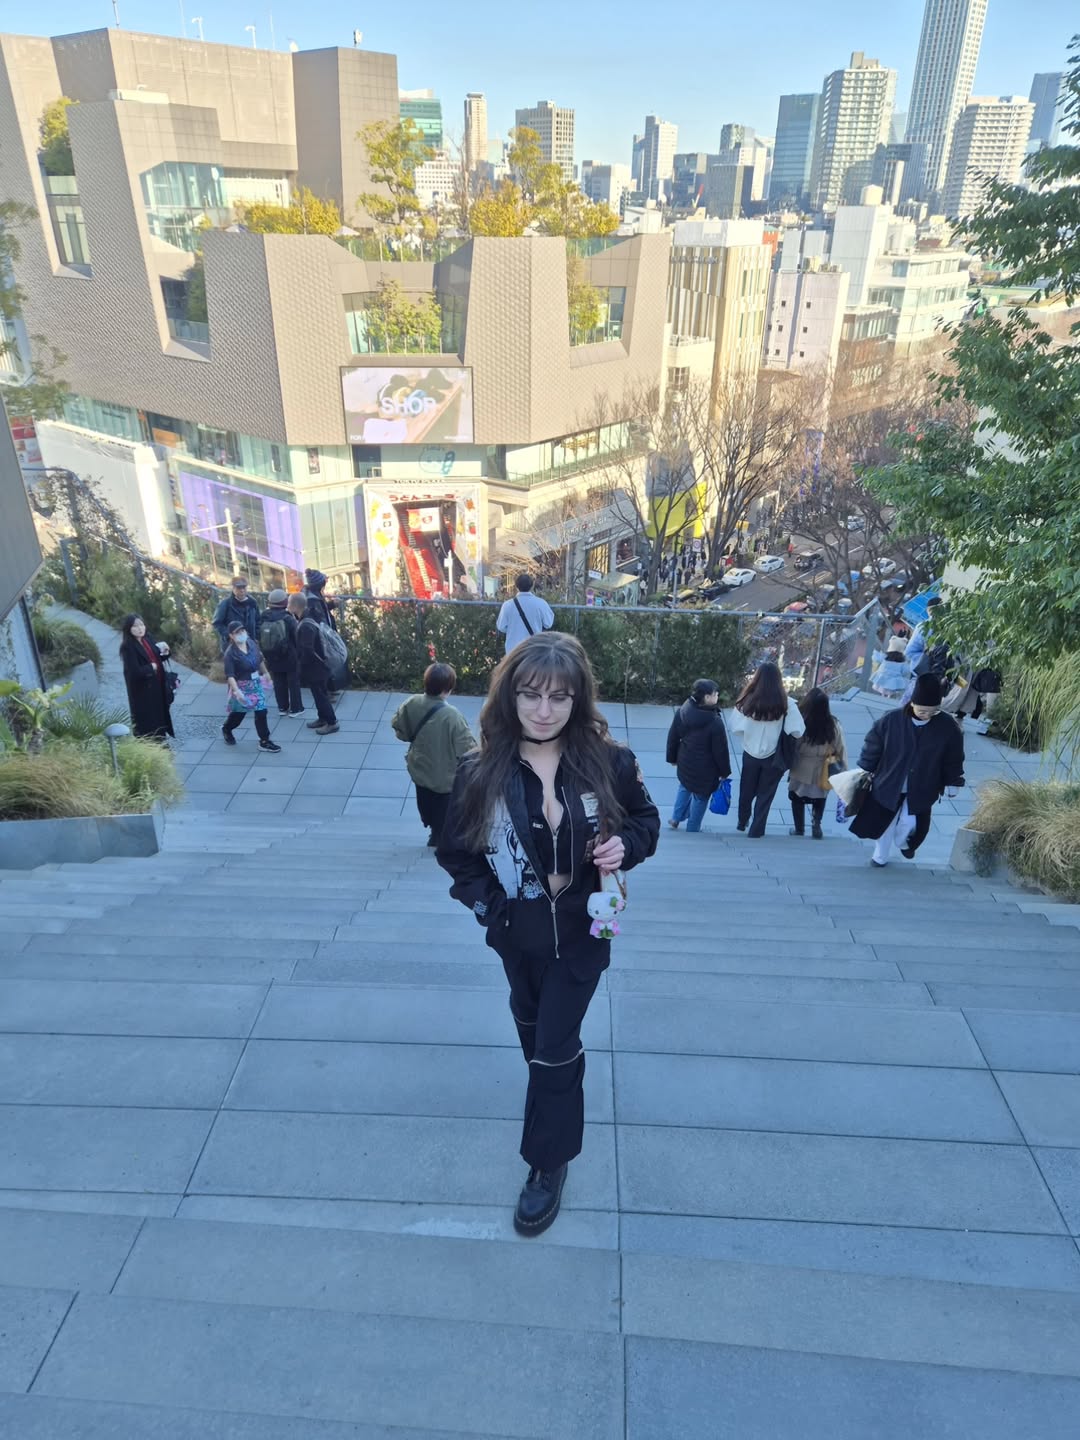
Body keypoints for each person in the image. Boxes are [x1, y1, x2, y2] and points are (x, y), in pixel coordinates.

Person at [437, 633, 659, 1237]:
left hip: (585, 932)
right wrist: (491, 910)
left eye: (559, 697)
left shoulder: (610, 762)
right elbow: (455, 854)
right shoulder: (480, 772)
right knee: (533, 1031)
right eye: (531, 694)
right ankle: (550, 1110)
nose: (543, 710)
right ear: (509, 697)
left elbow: (646, 820)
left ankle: (547, 1163)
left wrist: (626, 844)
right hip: (518, 935)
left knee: (556, 1046)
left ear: (577, 700)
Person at [851, 673, 965, 867]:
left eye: (933, 711)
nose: (926, 715)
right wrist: (866, 766)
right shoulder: (891, 720)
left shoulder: (947, 726)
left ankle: (904, 843)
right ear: (912, 703)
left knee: (910, 821)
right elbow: (873, 744)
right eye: (922, 710)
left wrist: (954, 781)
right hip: (889, 782)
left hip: (924, 785)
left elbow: (953, 757)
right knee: (885, 824)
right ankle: (880, 856)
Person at [392, 662, 476, 847]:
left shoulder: (412, 703)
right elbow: (468, 750)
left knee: (426, 804)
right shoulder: (453, 716)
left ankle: (433, 831)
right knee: (445, 811)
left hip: (420, 770)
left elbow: (400, 729)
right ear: (448, 689)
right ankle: (442, 838)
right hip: (445, 778)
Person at [729, 661, 805, 837]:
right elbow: (798, 731)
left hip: (750, 753)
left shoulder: (746, 701)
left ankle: (742, 820)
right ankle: (757, 829)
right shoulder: (787, 704)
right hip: (774, 756)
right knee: (766, 794)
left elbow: (735, 727)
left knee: (746, 789)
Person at [665, 678, 731, 833]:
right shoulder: (715, 722)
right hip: (706, 769)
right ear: (707, 697)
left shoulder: (683, 711)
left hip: (685, 761)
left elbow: (673, 736)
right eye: (715, 694)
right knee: (701, 797)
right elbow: (720, 751)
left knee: (685, 786)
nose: (717, 695)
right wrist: (724, 772)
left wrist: (672, 758)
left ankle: (675, 818)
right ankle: (693, 829)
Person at [787, 687, 847, 839]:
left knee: (796, 796)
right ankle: (816, 825)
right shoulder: (833, 724)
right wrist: (844, 768)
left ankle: (799, 828)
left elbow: (793, 745)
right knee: (820, 797)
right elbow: (840, 747)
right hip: (823, 768)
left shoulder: (801, 721)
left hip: (801, 765)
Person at [222, 621, 281, 752]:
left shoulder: (251, 643)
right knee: (239, 714)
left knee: (261, 711)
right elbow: (230, 675)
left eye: (242, 631)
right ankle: (227, 728)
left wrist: (266, 673)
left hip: (255, 683)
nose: (241, 634)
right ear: (231, 636)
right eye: (237, 632)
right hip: (241, 686)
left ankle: (264, 740)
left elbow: (259, 659)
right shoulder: (230, 654)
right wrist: (237, 691)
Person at [288, 593, 339, 735]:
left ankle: (332, 722)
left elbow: (307, 650)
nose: (287, 606)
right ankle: (322, 718)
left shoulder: (305, 625)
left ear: (295, 606)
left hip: (315, 668)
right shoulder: (310, 616)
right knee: (318, 694)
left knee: (321, 695)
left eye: (289, 603)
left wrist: (301, 667)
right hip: (320, 665)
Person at [119, 614, 175, 742]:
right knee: (148, 723)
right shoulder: (128, 647)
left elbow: (155, 657)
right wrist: (151, 667)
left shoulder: (147, 639)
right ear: (129, 628)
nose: (140, 628)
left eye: (141, 625)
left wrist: (165, 653)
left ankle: (161, 741)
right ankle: (150, 745)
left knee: (160, 717)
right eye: (135, 626)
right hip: (143, 692)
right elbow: (134, 672)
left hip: (157, 686)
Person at [258, 588, 303, 717]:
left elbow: (259, 633)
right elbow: (296, 636)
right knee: (293, 682)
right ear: (284, 602)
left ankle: (282, 708)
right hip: (289, 655)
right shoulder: (287, 618)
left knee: (278, 681)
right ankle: (296, 709)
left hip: (271, 655)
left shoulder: (264, 616)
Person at [496, 574, 555, 655]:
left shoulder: (507, 605)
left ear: (517, 586)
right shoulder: (541, 603)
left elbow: (501, 627)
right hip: (534, 649)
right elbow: (548, 624)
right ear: (531, 586)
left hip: (513, 651)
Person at [212, 576, 260, 653]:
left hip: (250, 644)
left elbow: (258, 621)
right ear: (233, 588)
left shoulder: (252, 603)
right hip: (231, 646)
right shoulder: (225, 604)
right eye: (239, 588)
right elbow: (217, 623)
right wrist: (229, 635)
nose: (242, 590)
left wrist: (256, 637)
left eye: (244, 587)